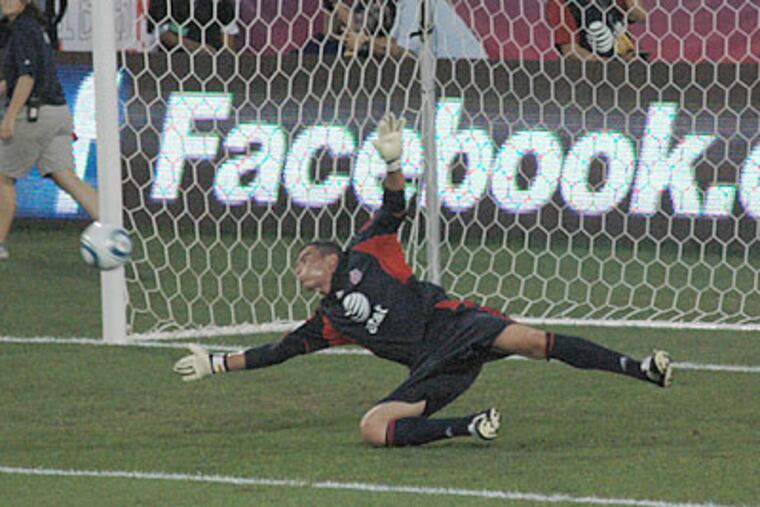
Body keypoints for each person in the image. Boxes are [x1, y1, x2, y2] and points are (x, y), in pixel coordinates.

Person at [174, 112, 673, 448]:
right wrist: (218, 365)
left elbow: (395, 206)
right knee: (373, 429)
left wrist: (392, 162)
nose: (298, 266)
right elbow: (277, 352)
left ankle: (640, 368)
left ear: (329, 259)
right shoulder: (330, 321)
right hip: (437, 367)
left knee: (535, 342)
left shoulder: (366, 251)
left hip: (455, 326)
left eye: (305, 258)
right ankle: (466, 427)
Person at [0, 0, 98, 261]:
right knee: (66, 176)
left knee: (3, 178)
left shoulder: (21, 29)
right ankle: (113, 226)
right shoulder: (33, 28)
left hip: (34, 113)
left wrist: (9, 117)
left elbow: (26, 78)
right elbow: (11, 80)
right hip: (59, 112)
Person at [546, 0, 647, 61]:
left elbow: (639, 16)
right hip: (589, 75)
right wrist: (613, 64)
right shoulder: (559, 3)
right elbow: (570, 52)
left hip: (625, 65)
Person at [146, 0, 240, 54]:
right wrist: (195, 47)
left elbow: (228, 47)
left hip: (210, 67)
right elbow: (160, 33)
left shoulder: (222, 4)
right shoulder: (165, 3)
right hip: (173, 63)